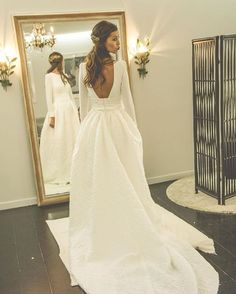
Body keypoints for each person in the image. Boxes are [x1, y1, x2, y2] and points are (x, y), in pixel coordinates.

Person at [46, 21, 219, 293]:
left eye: (117, 39)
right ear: (102, 40)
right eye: (114, 39)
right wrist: (134, 134)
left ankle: (107, 221)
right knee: (121, 175)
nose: (117, 43)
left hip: (95, 126)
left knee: (103, 177)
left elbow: (85, 107)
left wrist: (85, 136)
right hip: (117, 124)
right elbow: (127, 103)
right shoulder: (121, 66)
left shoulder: (85, 68)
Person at [40, 52, 80, 186]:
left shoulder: (64, 76)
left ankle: (75, 170)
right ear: (58, 62)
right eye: (62, 61)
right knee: (61, 140)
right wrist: (52, 116)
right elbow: (48, 98)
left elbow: (70, 95)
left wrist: (76, 111)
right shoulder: (49, 77)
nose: (63, 64)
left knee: (72, 139)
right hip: (58, 111)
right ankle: (61, 171)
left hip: (69, 111)